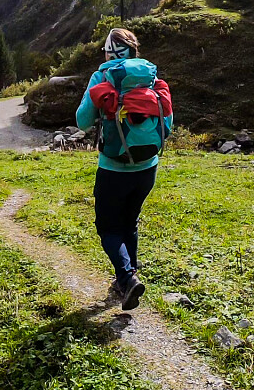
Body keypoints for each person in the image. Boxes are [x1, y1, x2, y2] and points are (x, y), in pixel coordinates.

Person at [76, 28, 172, 311]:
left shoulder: (102, 77)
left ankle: (127, 278)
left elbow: (82, 122)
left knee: (107, 227)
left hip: (113, 168)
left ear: (108, 53)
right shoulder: (151, 78)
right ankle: (127, 278)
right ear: (134, 52)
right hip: (147, 168)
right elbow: (168, 125)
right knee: (129, 222)